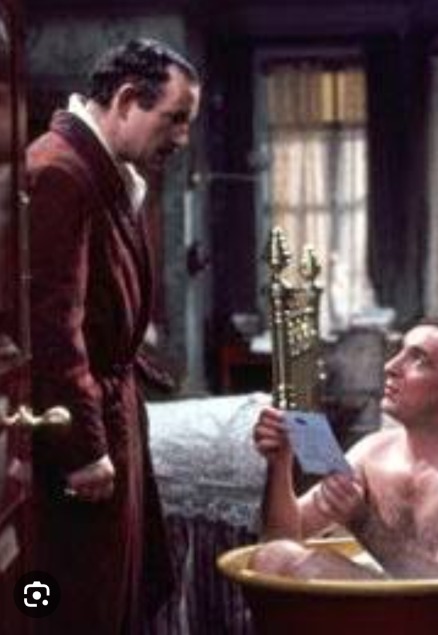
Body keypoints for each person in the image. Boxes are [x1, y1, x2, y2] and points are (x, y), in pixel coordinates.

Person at [27, 38, 201, 633]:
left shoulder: (102, 172)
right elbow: (51, 326)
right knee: (65, 598)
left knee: (113, 596)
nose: (182, 137)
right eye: (174, 118)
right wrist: (82, 447)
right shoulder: (61, 172)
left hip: (112, 409)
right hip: (82, 429)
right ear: (126, 100)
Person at [251, 317, 438, 580]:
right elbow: (281, 537)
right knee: (273, 556)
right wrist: (280, 464)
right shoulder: (374, 452)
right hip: (396, 602)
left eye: (419, 360)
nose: (390, 366)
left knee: (291, 563)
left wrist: (363, 522)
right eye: (399, 352)